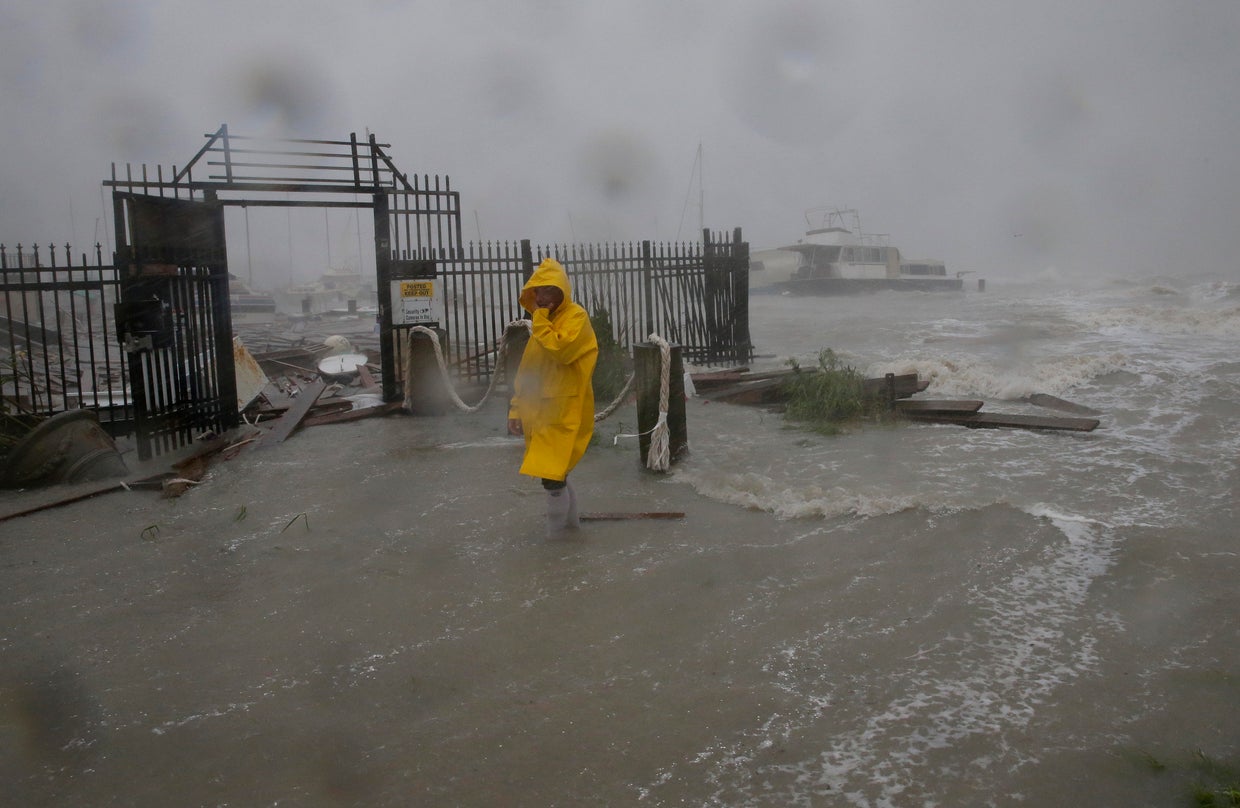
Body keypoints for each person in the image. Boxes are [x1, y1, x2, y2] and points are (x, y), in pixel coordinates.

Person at [507, 257, 598, 539]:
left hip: (564, 410)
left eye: (549, 290)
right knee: (556, 474)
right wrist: (516, 409)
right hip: (540, 412)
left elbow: (562, 348)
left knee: (551, 477)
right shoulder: (542, 323)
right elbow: (528, 371)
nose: (543, 297)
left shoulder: (576, 317)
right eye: (539, 291)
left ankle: (555, 539)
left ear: (562, 290)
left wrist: (540, 320)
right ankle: (570, 531)